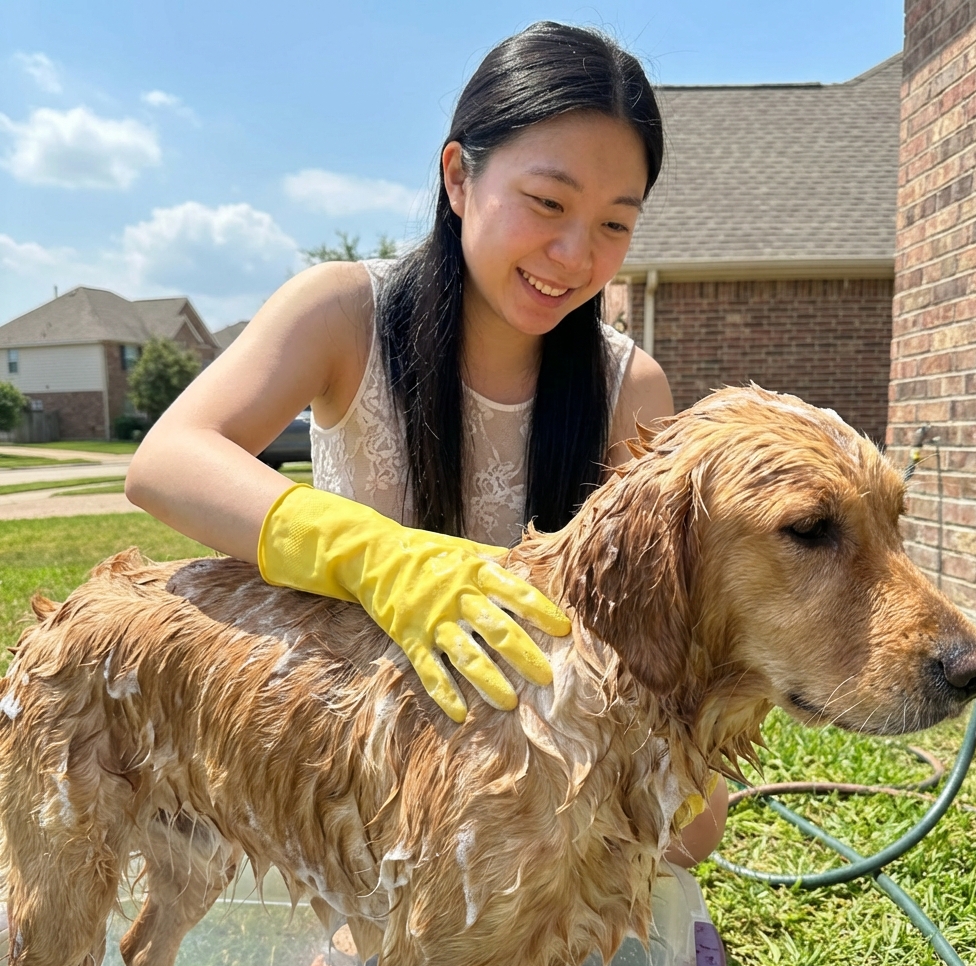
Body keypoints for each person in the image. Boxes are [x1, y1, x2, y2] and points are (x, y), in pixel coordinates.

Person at [126, 21, 726, 875]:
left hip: (522, 714)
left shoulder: (627, 384)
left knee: (696, 827)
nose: (573, 255)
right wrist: (381, 559)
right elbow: (166, 462)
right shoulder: (343, 312)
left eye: (614, 226)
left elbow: (644, 612)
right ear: (458, 176)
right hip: (356, 701)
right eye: (548, 204)